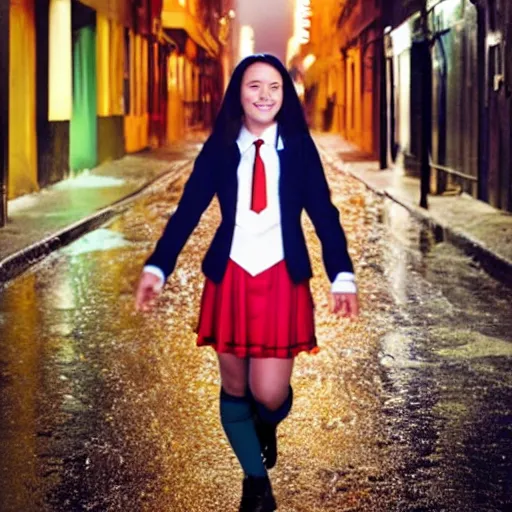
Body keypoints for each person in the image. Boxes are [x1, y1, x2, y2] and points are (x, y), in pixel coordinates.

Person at [135, 53, 359, 512]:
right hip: (231, 275)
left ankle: (267, 421)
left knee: (269, 394)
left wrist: (342, 273)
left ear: (285, 94)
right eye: (254, 86)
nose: (264, 95)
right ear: (238, 92)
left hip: (281, 275)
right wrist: (159, 266)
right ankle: (256, 484)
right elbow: (189, 210)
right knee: (234, 386)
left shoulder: (297, 145)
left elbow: (323, 212)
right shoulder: (220, 146)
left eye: (274, 87)